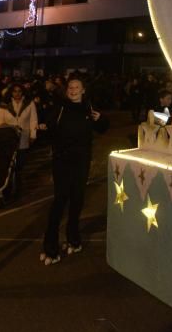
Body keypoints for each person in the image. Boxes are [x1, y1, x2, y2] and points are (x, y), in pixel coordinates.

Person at [41, 77, 108, 265]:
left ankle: (74, 239)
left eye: (77, 87)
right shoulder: (60, 108)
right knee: (60, 201)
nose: (73, 90)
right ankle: (50, 247)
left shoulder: (89, 108)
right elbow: (49, 129)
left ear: (83, 90)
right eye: (70, 87)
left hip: (81, 162)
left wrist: (100, 119)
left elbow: (103, 128)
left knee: (77, 200)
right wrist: (44, 128)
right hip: (62, 161)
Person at [0, 85, 39, 195]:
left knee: (20, 165)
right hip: (8, 139)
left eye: (19, 91)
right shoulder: (4, 105)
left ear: (23, 92)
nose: (17, 93)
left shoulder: (29, 103)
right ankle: (6, 189)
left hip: (23, 138)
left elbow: (33, 120)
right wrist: (11, 127)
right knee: (8, 165)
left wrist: (33, 135)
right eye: (14, 91)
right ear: (11, 92)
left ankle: (18, 188)